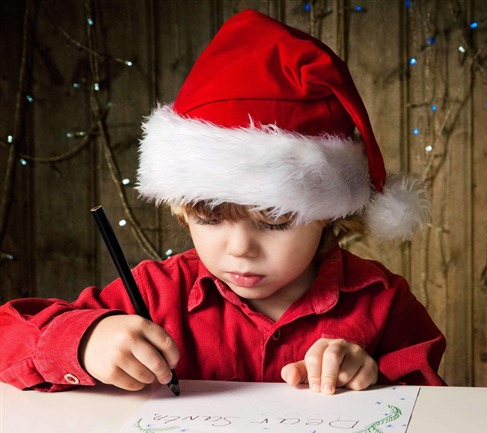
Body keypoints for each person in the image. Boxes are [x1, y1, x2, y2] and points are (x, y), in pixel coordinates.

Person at [0, 9, 446, 395]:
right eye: (209, 218)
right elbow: (8, 335)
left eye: (272, 221)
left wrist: (375, 380)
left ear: (329, 215)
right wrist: (85, 341)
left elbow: (437, 405)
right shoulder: (157, 295)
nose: (239, 249)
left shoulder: (382, 302)